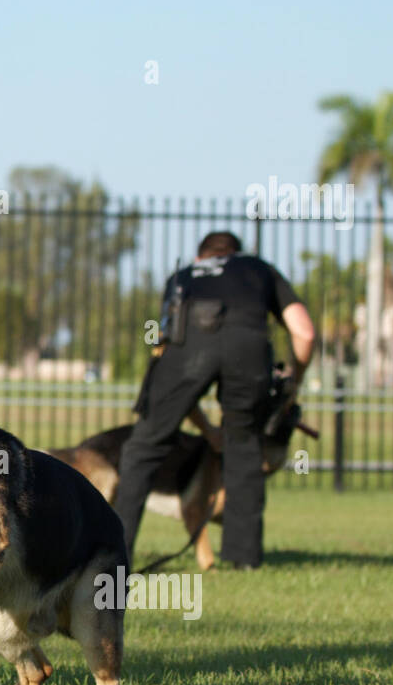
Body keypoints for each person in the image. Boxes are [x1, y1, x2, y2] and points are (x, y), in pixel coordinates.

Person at [114, 231, 315, 570]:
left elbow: (166, 363)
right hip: (247, 347)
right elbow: (305, 332)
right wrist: (294, 381)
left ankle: (115, 554)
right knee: (245, 449)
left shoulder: (181, 276)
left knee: (143, 449)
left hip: (186, 346)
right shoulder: (259, 268)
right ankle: (244, 560)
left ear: (200, 258)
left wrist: (206, 428)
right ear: (237, 254)